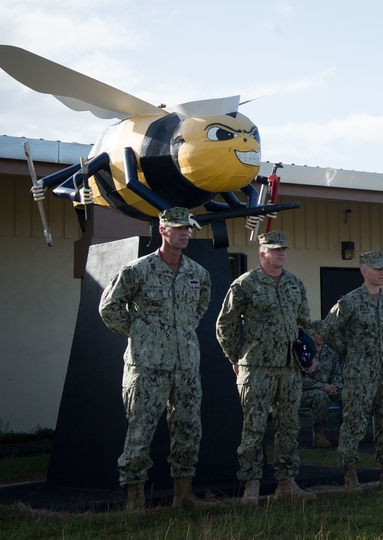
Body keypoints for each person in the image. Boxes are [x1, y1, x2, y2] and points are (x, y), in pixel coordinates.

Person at [98, 207, 211, 512]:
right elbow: (109, 307)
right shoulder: (137, 270)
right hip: (147, 366)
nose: (184, 233)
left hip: (185, 365)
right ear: (163, 231)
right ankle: (135, 500)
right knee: (140, 432)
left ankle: (183, 495)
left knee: (188, 429)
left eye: (187, 228)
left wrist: (181, 331)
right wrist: (141, 334)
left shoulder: (197, 273)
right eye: (177, 228)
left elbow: (199, 307)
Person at [215, 230, 316, 504]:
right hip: (257, 368)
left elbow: (303, 323)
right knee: (254, 427)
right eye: (275, 249)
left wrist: (309, 355)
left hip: (289, 368)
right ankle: (251, 486)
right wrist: (234, 357)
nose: (281, 253)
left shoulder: (295, 283)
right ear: (262, 253)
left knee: (289, 426)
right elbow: (225, 324)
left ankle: (287, 484)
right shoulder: (245, 284)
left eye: (283, 248)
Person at [318, 250, 383, 493]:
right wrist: (349, 350)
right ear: (364, 270)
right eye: (377, 268)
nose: (382, 272)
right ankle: (350, 475)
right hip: (358, 374)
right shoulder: (350, 302)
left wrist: (382, 348)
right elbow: (327, 329)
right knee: (354, 423)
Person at [301, 332, 343, 449]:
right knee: (320, 397)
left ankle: (341, 430)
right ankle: (319, 434)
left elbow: (337, 373)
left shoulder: (331, 353)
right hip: (309, 390)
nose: (322, 336)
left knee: (347, 395)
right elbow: (301, 378)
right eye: (319, 333)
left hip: (330, 388)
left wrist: (334, 387)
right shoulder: (304, 352)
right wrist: (321, 387)